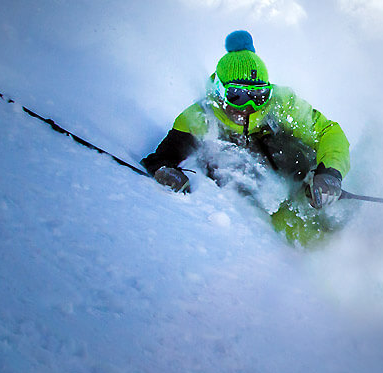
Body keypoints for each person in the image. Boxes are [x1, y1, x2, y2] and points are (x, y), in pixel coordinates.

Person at [141, 30, 350, 245]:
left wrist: (330, 172)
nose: (248, 106)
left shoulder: (281, 104)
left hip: (305, 179)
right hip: (264, 198)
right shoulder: (199, 118)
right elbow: (162, 157)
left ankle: (346, 228)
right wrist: (165, 171)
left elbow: (328, 132)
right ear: (219, 91)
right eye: (237, 95)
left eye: (258, 96)